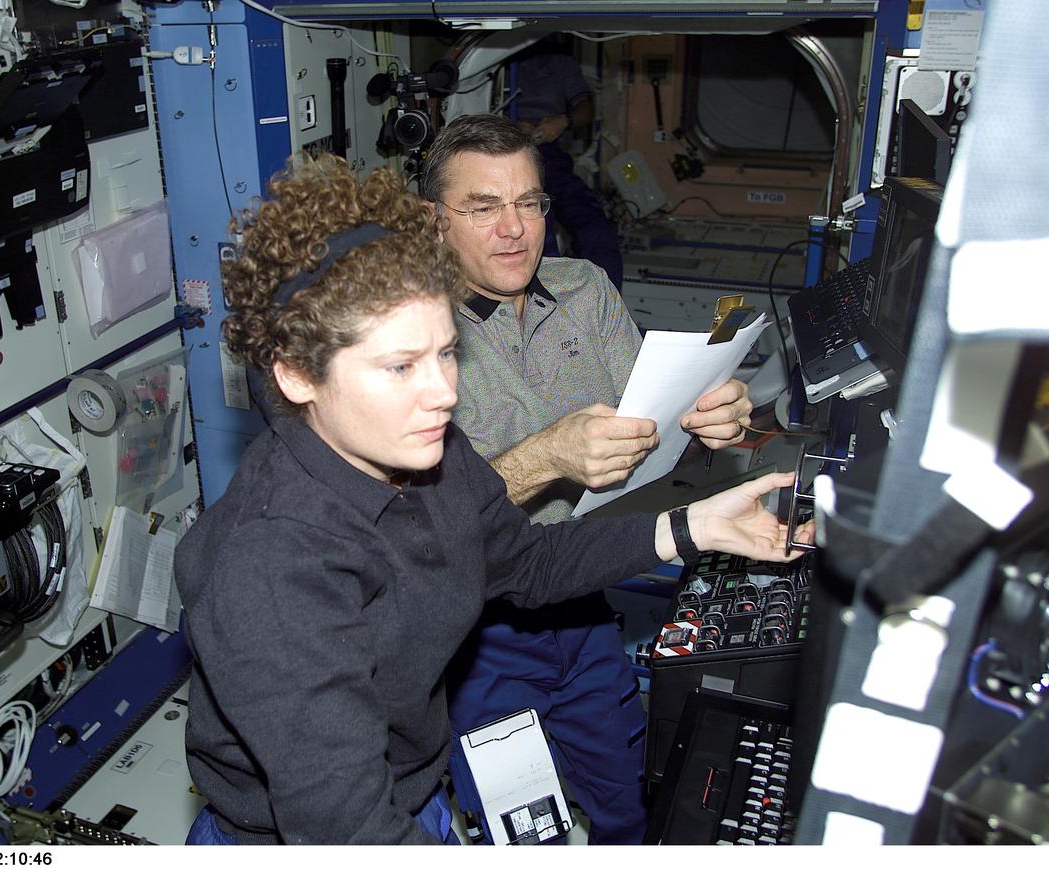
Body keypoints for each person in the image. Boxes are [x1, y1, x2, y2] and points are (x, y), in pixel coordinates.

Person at [173, 152, 806, 845]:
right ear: (295, 375)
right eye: (400, 366)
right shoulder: (270, 565)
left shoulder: (427, 457)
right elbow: (345, 828)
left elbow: (526, 562)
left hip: (413, 794)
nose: (443, 392)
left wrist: (692, 526)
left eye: (446, 352)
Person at [420, 113, 754, 844]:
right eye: (483, 207)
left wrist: (709, 421)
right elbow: (420, 526)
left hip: (580, 603)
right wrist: (546, 455)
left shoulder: (586, 290)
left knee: (633, 804)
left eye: (530, 204)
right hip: (479, 633)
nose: (514, 229)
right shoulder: (408, 336)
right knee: (525, 833)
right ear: (435, 221)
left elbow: (654, 441)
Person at [510, 38, 625, 290]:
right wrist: (510, 126)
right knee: (540, 235)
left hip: (550, 157)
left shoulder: (561, 64)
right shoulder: (500, 60)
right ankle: (546, 314)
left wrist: (563, 121)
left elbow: (584, 109)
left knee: (598, 231)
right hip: (510, 158)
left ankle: (605, 307)